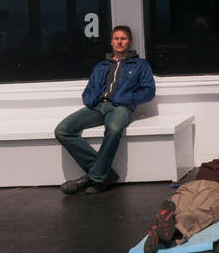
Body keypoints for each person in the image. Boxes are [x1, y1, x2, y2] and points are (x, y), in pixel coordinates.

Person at [55, 25, 156, 194]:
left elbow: (149, 91)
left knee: (114, 129)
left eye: (123, 38)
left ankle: (93, 177)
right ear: (111, 42)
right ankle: (102, 173)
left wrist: (125, 99)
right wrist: (90, 100)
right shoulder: (101, 65)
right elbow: (88, 89)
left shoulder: (140, 64)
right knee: (62, 130)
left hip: (120, 107)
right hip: (97, 106)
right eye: (116, 38)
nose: (119, 41)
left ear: (129, 42)